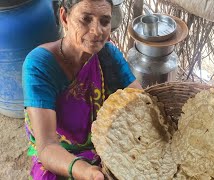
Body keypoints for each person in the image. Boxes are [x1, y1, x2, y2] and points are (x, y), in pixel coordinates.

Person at [22, 0, 142, 179]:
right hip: (59, 153)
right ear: (64, 17)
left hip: (104, 143)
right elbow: (47, 146)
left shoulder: (108, 55)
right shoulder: (39, 66)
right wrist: (85, 171)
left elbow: (141, 102)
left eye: (104, 21)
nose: (97, 31)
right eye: (86, 19)